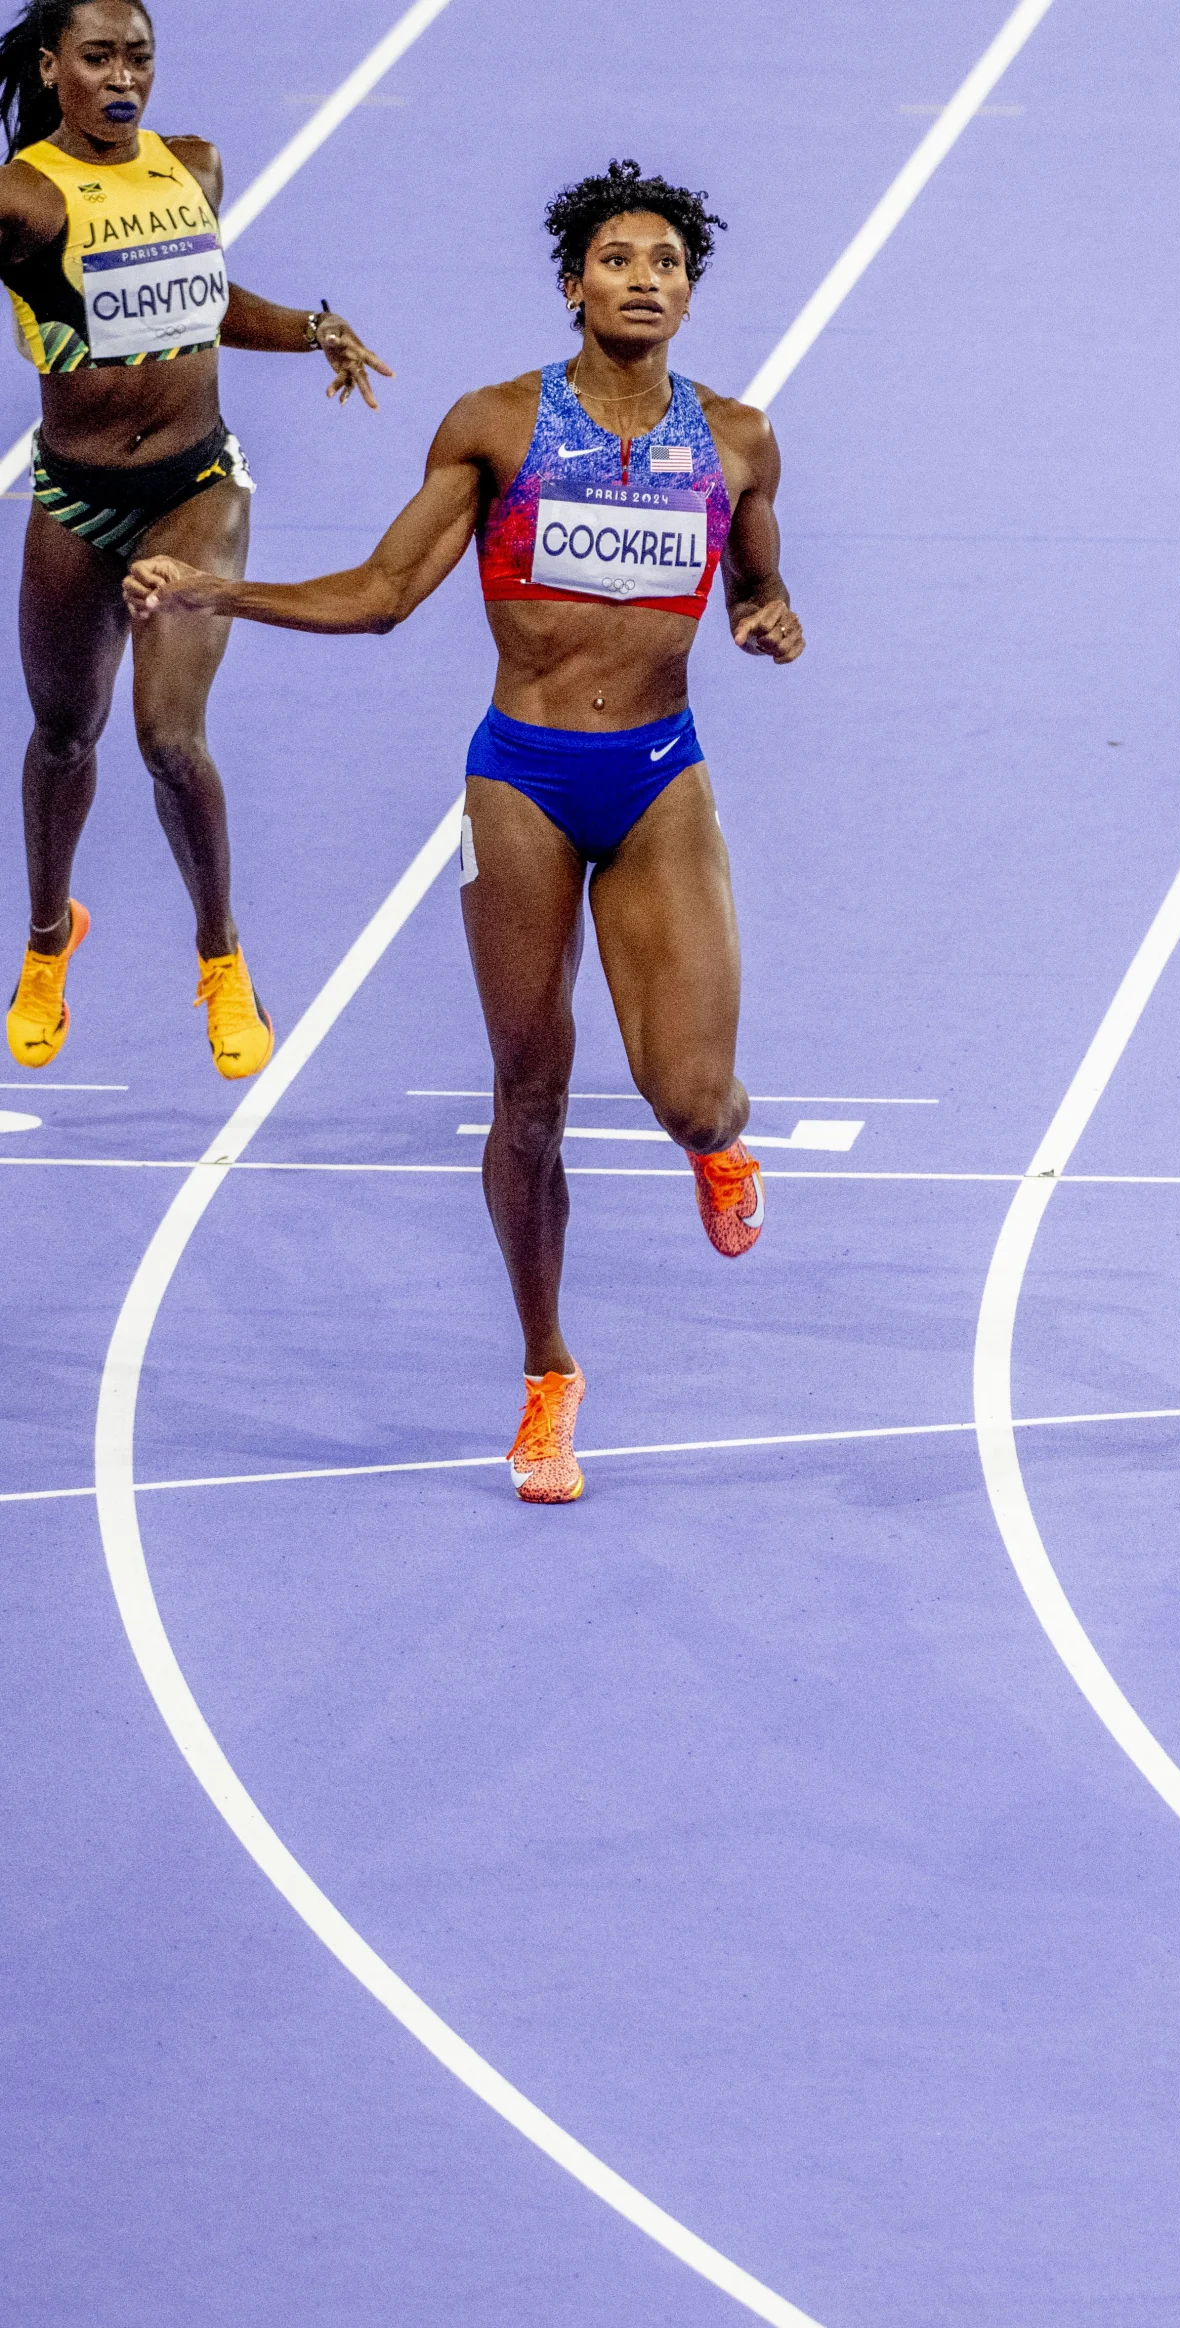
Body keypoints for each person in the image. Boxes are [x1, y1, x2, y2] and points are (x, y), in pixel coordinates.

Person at [127, 161, 800, 1504]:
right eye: (620, 259)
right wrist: (221, 595)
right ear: (574, 285)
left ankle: (718, 1143)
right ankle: (549, 1377)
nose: (646, 279)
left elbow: (760, 575)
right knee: (531, 1098)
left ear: (688, 293)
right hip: (525, 779)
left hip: (661, 775)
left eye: (668, 262)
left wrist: (765, 617)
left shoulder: (738, 439)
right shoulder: (496, 426)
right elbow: (383, 594)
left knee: (689, 1091)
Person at [1, 0, 387, 1077]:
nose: (123, 76)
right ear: (51, 68)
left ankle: (221, 959)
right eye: (98, 57)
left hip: (195, 485)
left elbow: (207, 304)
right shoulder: (24, 200)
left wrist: (311, 328)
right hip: (76, 495)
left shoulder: (195, 167)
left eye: (140, 55)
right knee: (62, 736)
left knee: (168, 737)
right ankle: (45, 945)